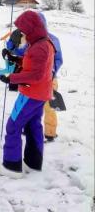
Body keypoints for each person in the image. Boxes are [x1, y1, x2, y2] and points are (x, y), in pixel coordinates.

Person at [0, 10, 55, 179]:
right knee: (33, 124)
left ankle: (11, 166)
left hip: (31, 93)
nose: (21, 33)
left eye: (23, 30)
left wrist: (11, 78)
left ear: (31, 29)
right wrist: (15, 59)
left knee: (13, 126)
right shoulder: (40, 43)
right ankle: (33, 162)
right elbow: (33, 64)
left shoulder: (40, 46)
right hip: (39, 93)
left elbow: (36, 74)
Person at [38, 12, 63, 142]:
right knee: (31, 106)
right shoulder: (28, 40)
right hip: (34, 81)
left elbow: (59, 59)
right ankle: (29, 129)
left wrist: (51, 72)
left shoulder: (53, 39)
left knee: (50, 106)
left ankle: (50, 133)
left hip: (50, 79)